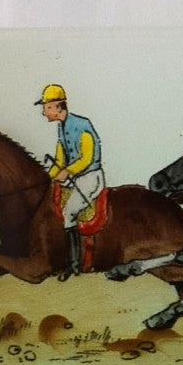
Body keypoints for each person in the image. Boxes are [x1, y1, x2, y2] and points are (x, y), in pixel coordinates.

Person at [36, 83, 104, 278]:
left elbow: (87, 158)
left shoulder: (83, 125)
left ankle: (74, 264)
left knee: (68, 212)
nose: (43, 112)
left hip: (90, 177)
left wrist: (67, 172)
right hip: (75, 178)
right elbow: (59, 161)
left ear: (57, 106)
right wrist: (47, 177)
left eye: (46, 107)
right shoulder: (60, 129)